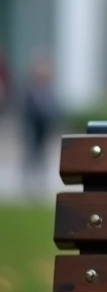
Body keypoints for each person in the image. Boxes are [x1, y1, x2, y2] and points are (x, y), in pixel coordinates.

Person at [22, 52, 57, 191]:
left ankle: (40, 181)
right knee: (31, 154)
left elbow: (52, 110)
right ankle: (29, 180)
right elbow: (27, 111)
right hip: (33, 128)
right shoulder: (31, 90)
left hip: (44, 128)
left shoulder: (49, 90)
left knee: (42, 154)